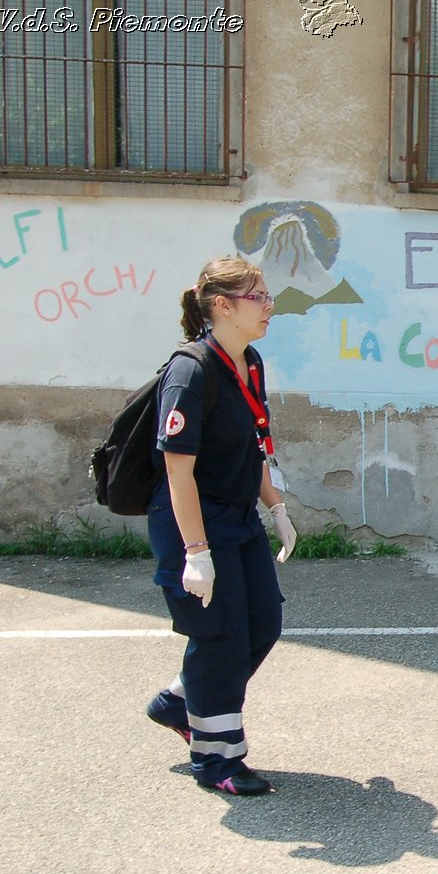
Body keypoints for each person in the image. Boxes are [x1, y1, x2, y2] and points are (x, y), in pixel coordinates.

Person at [143, 256, 297, 795]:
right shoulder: (191, 371)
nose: (269, 307)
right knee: (221, 639)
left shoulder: (248, 361)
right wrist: (195, 552)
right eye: (259, 298)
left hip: (239, 517)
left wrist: (275, 508)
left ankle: (181, 702)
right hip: (192, 521)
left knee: (262, 624)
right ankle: (218, 761)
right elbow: (177, 470)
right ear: (223, 306)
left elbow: (254, 444)